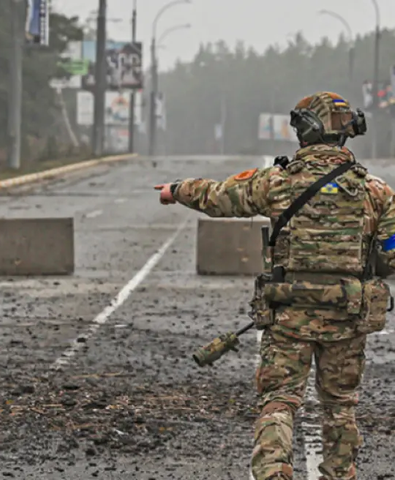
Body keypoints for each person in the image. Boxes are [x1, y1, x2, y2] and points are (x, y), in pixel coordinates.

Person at [154, 91, 395, 480]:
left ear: (305, 131)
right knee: (339, 406)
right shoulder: (376, 192)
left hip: (288, 317)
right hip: (347, 318)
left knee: (279, 402)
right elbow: (393, 254)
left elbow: (219, 198)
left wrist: (177, 189)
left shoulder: (278, 182)